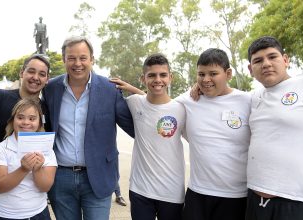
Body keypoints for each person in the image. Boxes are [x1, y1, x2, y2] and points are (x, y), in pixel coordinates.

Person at [41, 36, 134, 220]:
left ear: (92, 59)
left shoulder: (110, 89)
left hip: (98, 177)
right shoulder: (51, 89)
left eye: (83, 58)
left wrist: (142, 94)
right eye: (71, 58)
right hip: (61, 178)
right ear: (64, 59)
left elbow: (135, 126)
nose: (78, 63)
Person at [245, 36, 303, 220]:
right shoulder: (253, 97)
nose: (266, 64)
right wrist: (199, 87)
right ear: (250, 69)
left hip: (298, 202)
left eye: (272, 57)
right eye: (258, 60)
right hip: (255, 200)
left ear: (285, 60)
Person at [177, 48, 251, 220]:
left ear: (228, 73)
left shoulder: (248, 101)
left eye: (213, 73)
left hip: (236, 197)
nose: (206, 79)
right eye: (201, 74)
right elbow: (160, 107)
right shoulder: (188, 100)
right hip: (198, 193)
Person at [110, 53, 186, 220]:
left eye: (163, 75)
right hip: (140, 190)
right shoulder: (134, 102)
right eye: (151, 75)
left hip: (172, 192)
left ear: (170, 77)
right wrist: (129, 88)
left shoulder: (181, 109)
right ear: (143, 79)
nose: (157, 80)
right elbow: (146, 101)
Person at [0, 54, 50, 220]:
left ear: (47, 79)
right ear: (22, 72)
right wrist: (0, 163)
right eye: (31, 71)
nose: (35, 77)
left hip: (29, 188)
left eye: (42, 74)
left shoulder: (45, 107)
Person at [0, 98, 57, 219]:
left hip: (39, 214)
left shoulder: (47, 150)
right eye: (20, 117)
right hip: (4, 215)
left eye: (32, 118)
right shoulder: (0, 149)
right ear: (12, 120)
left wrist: (37, 169)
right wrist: (23, 169)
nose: (26, 122)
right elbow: (1, 187)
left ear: (40, 122)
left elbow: (45, 187)